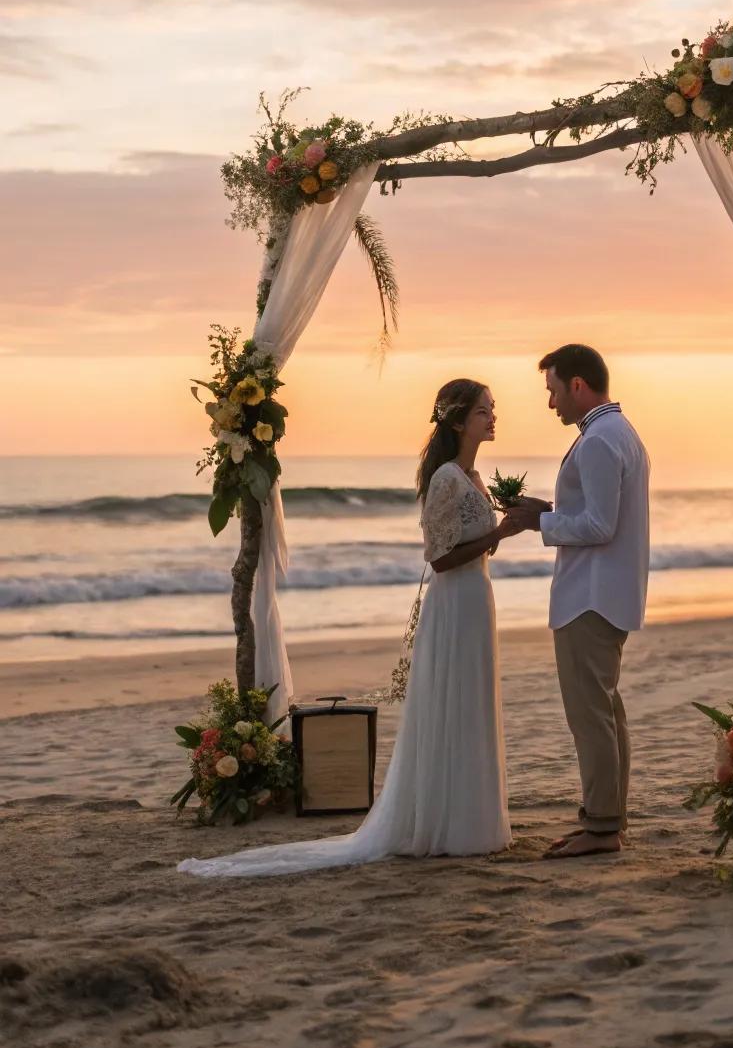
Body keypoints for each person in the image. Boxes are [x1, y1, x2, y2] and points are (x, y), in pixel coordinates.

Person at [179, 379, 519, 878]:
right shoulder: (447, 478)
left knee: (472, 702)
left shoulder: (473, 476)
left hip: (475, 600)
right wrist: (500, 531)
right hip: (454, 603)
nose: (494, 418)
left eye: (493, 410)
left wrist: (503, 528)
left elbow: (478, 546)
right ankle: (451, 824)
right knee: (456, 702)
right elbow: (440, 559)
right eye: (485, 411)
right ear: (456, 420)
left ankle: (471, 818)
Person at [509, 344, 650, 860]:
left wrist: (537, 523)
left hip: (589, 596)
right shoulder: (618, 432)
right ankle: (606, 818)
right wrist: (547, 509)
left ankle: (603, 826)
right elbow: (597, 511)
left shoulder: (598, 440)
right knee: (606, 712)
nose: (550, 404)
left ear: (577, 385)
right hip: (607, 590)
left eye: (551, 390)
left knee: (591, 714)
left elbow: (598, 526)